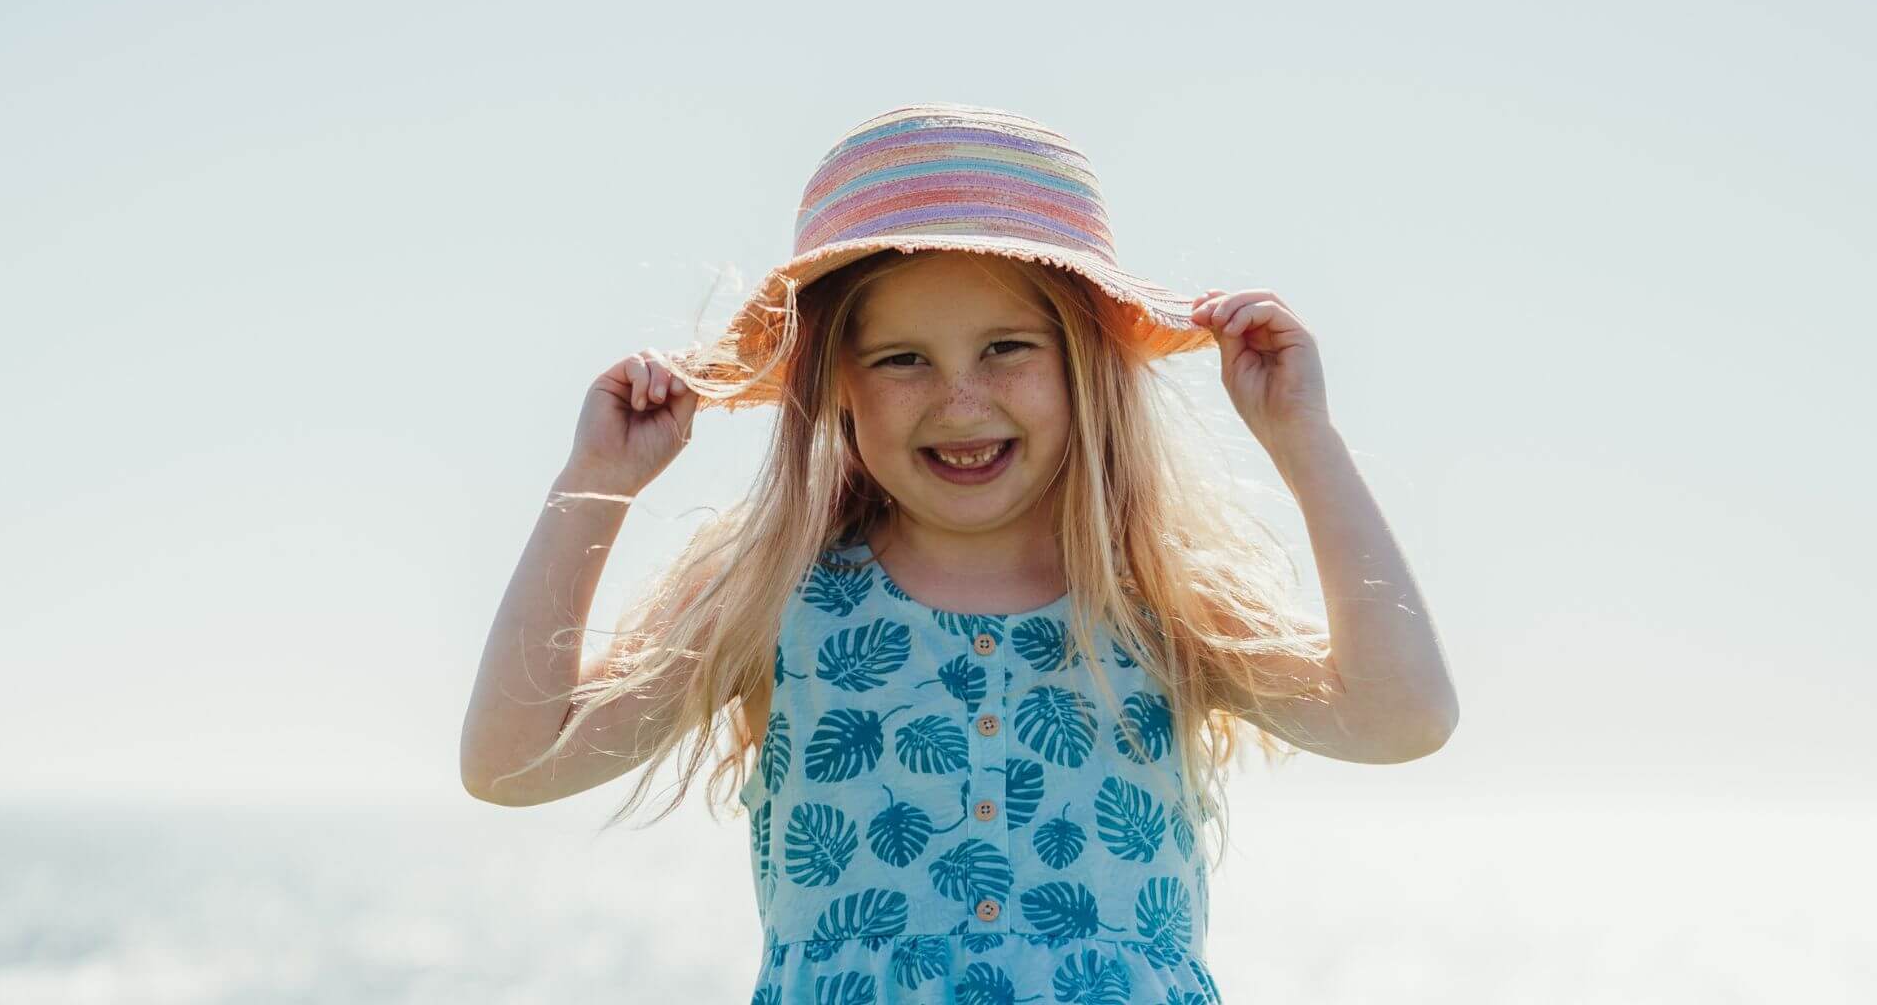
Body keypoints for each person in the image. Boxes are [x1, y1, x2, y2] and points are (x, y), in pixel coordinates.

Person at [461, 102, 1459, 1002]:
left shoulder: (1157, 593)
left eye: (1007, 348)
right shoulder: (775, 594)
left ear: (1086, 369)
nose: (960, 399)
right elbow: (511, 764)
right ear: (834, 389)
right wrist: (595, 484)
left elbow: (1401, 718)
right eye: (902, 360)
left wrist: (1303, 443)